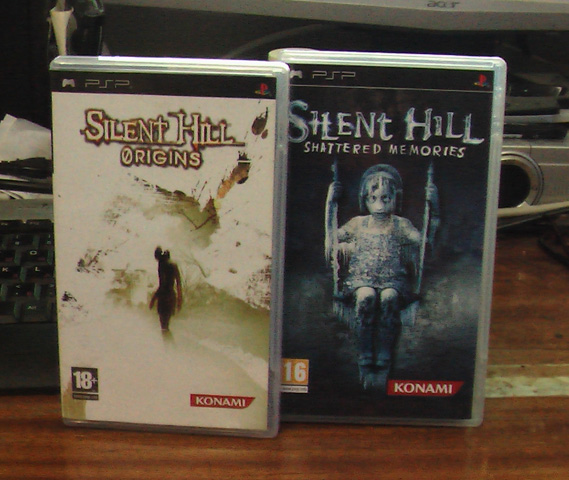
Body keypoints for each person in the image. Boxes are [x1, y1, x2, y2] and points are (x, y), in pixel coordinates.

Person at [325, 163, 438, 388]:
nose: (379, 204)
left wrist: (433, 209)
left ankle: (384, 356)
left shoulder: (401, 225)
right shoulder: (357, 224)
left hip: (392, 280)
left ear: (395, 198)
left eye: (386, 198)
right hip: (361, 279)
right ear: (365, 199)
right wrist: (330, 204)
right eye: (374, 198)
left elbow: (424, 244)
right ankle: (365, 355)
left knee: (389, 298)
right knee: (366, 297)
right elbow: (332, 239)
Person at [149, 247, 183, 331]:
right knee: (166, 325)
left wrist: (154, 298)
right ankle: (168, 338)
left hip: (164, 297)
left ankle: (167, 339)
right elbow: (179, 284)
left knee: (164, 327)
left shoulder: (162, 265)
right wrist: (179, 299)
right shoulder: (174, 265)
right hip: (171, 296)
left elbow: (162, 284)